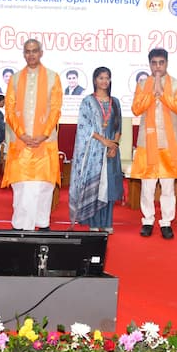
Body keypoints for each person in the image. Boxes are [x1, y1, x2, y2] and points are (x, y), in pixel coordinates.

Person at [2, 39, 63, 231]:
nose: (31, 55)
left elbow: (55, 109)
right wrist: (21, 134)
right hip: (21, 142)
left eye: (34, 51)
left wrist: (43, 134)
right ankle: (20, 225)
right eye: (27, 51)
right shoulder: (15, 78)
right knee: (22, 186)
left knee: (43, 185)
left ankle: (42, 223)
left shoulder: (53, 77)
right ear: (23, 54)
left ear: (41, 52)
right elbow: (9, 110)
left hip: (45, 142)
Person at [130, 48, 177, 239]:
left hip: (169, 144)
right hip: (148, 143)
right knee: (147, 186)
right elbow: (137, 109)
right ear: (149, 64)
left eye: (161, 63)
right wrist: (151, 92)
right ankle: (147, 220)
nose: (157, 67)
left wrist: (161, 93)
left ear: (167, 63)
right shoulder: (142, 84)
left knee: (168, 187)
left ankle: (166, 222)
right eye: (154, 63)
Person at [68, 67, 123, 233]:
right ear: (94, 80)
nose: (104, 81)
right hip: (93, 151)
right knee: (94, 185)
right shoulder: (87, 101)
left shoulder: (116, 102)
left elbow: (118, 126)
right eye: (101, 78)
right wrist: (103, 140)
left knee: (109, 187)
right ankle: (93, 222)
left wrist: (114, 145)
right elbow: (84, 128)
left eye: (107, 78)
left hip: (111, 150)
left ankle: (107, 222)